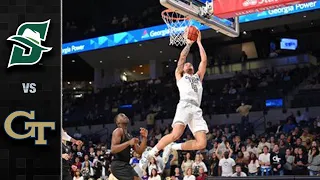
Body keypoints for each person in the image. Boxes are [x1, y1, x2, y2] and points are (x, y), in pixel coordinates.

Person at [142, 31, 208, 168]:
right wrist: (189, 44)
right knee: (176, 133)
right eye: (186, 65)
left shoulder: (198, 77)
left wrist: (199, 42)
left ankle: (174, 147)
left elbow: (204, 61)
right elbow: (182, 57)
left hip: (196, 108)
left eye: (191, 64)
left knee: (202, 144)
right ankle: (152, 152)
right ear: (182, 69)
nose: (188, 65)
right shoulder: (180, 75)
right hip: (184, 104)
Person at [110, 113, 148, 180]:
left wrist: (144, 138)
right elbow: (113, 149)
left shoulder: (129, 135)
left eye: (125, 115)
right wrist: (128, 143)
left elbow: (139, 151)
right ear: (117, 122)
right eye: (122, 115)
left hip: (125, 164)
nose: (125, 116)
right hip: (118, 165)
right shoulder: (118, 130)